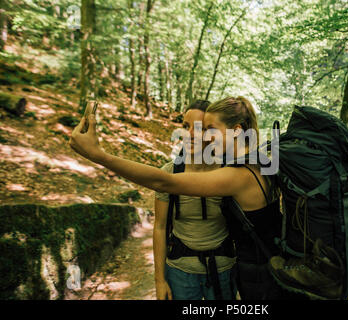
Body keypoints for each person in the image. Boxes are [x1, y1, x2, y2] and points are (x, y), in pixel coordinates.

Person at [69, 96, 285, 299]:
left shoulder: (236, 174)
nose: (200, 135)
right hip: (258, 268)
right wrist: (160, 279)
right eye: (187, 126)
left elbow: (164, 182)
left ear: (237, 131)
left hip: (254, 274)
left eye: (209, 129)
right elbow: (162, 220)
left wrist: (99, 155)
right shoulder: (259, 161)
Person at [153, 100, 236, 300]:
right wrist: (159, 280)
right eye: (185, 126)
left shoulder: (230, 173)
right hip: (180, 271)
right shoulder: (170, 173)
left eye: (198, 128)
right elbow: (160, 227)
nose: (188, 134)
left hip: (223, 269)